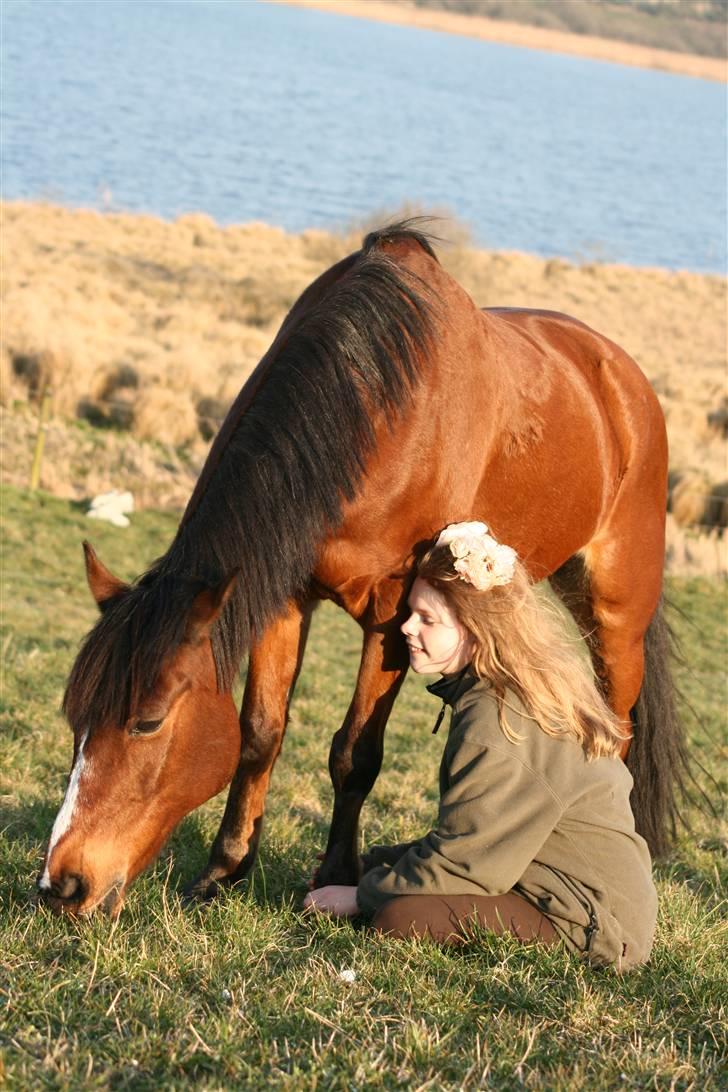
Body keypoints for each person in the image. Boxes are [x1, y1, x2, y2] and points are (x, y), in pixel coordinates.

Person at [303, 521, 658, 970]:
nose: (408, 628)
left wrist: (362, 894)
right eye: (412, 612)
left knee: (399, 917)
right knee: (402, 903)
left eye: (428, 619)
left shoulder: (497, 718)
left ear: (475, 629)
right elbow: (476, 835)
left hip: (591, 921)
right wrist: (378, 862)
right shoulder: (498, 691)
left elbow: (467, 861)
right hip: (554, 886)